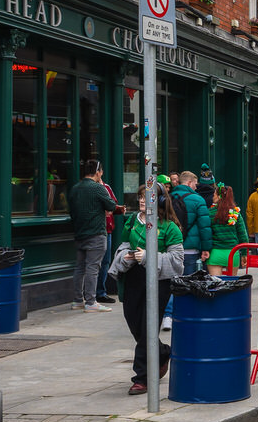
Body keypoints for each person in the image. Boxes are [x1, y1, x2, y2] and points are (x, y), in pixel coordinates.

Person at [111, 188, 184, 394]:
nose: (142, 200)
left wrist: (148, 257)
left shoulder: (170, 227)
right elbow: (125, 243)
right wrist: (125, 254)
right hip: (133, 277)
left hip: (159, 281)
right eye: (141, 197)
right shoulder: (134, 220)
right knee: (135, 323)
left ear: (159, 200)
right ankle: (162, 351)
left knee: (147, 326)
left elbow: (177, 263)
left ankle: (142, 377)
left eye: (147, 197)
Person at [68, 159, 122, 312]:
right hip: (96, 233)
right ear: (98, 173)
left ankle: (78, 300)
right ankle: (91, 302)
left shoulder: (75, 188)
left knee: (79, 268)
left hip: (79, 233)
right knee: (93, 268)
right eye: (101, 172)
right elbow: (111, 205)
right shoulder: (98, 188)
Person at [169, 171, 211, 277]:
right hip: (190, 250)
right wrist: (206, 248)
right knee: (189, 282)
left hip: (170, 248)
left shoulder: (168, 198)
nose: (196, 188)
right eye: (195, 184)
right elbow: (204, 227)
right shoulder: (198, 200)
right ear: (189, 183)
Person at [203, 184, 249, 275]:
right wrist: (244, 254)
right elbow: (243, 235)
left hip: (215, 252)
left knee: (215, 284)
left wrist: (204, 249)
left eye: (214, 195)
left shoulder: (209, 213)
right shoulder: (235, 213)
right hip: (232, 253)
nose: (212, 197)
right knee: (231, 285)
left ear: (219, 196)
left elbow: (206, 233)